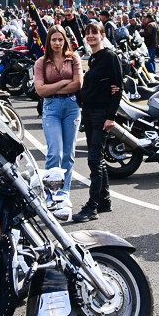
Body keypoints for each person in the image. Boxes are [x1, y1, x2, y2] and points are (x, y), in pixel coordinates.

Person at [71, 21, 121, 224]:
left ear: (102, 35)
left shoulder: (110, 56)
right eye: (88, 33)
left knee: (94, 159)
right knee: (97, 157)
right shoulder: (94, 58)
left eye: (95, 33)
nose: (91, 36)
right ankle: (104, 200)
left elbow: (118, 87)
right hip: (90, 113)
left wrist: (111, 116)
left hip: (101, 114)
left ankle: (92, 206)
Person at [34, 25, 84, 203]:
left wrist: (52, 87)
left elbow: (78, 84)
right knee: (55, 152)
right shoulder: (41, 62)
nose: (57, 43)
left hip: (72, 107)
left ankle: (64, 193)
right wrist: (63, 81)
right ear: (48, 42)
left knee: (68, 154)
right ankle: (51, 194)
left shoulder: (74, 59)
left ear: (65, 41)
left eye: (60, 39)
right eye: (53, 39)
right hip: (51, 108)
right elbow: (40, 90)